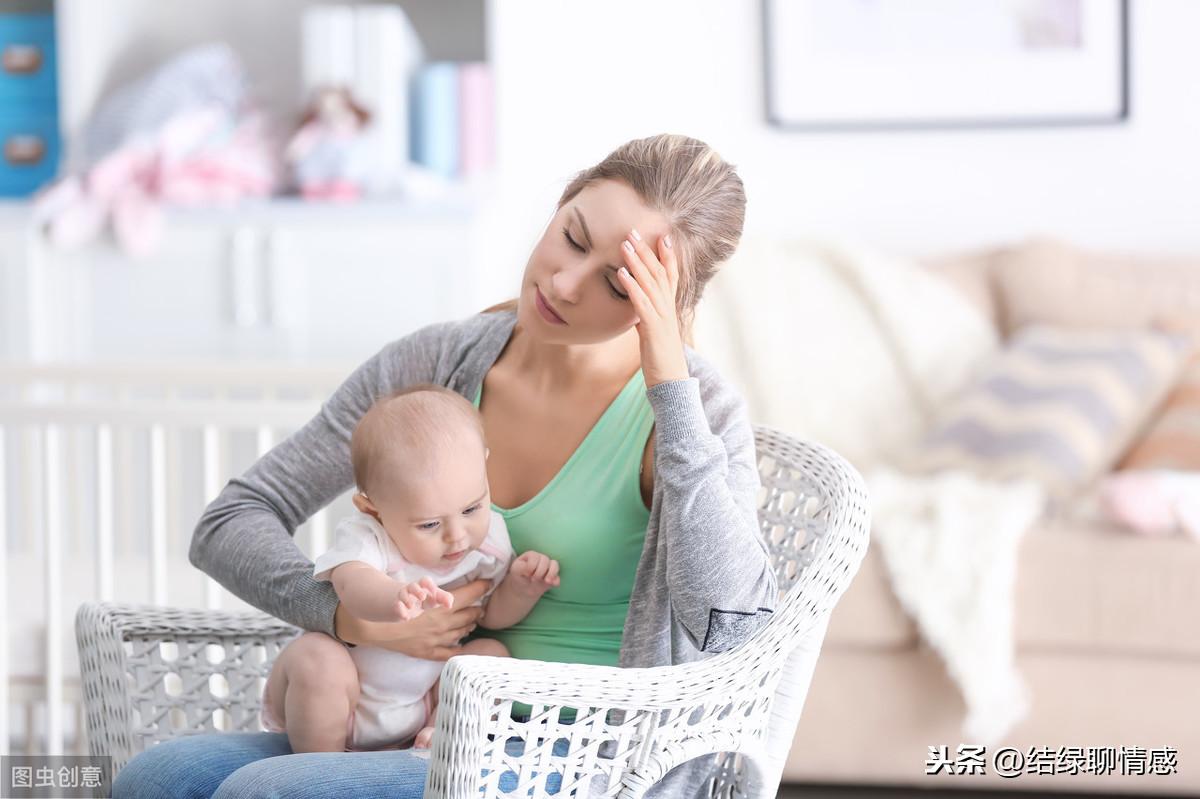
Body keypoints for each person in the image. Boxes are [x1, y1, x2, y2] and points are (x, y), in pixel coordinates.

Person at [112, 133, 778, 799]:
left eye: (616, 282)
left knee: (264, 791)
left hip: (581, 756)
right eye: (573, 237)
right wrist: (349, 618)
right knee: (156, 778)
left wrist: (669, 381)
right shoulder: (440, 364)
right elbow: (229, 520)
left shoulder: (694, 411)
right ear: (561, 204)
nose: (564, 283)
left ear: (662, 301)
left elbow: (731, 621)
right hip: (416, 722)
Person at [259, 384, 560, 754]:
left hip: (420, 704)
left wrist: (521, 588)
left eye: (471, 509)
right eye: (430, 524)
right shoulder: (367, 536)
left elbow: (489, 613)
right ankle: (318, 767)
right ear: (374, 510)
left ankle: (440, 730)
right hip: (343, 701)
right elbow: (352, 586)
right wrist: (394, 598)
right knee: (316, 656)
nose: (457, 537)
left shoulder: (489, 540)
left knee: (490, 654)